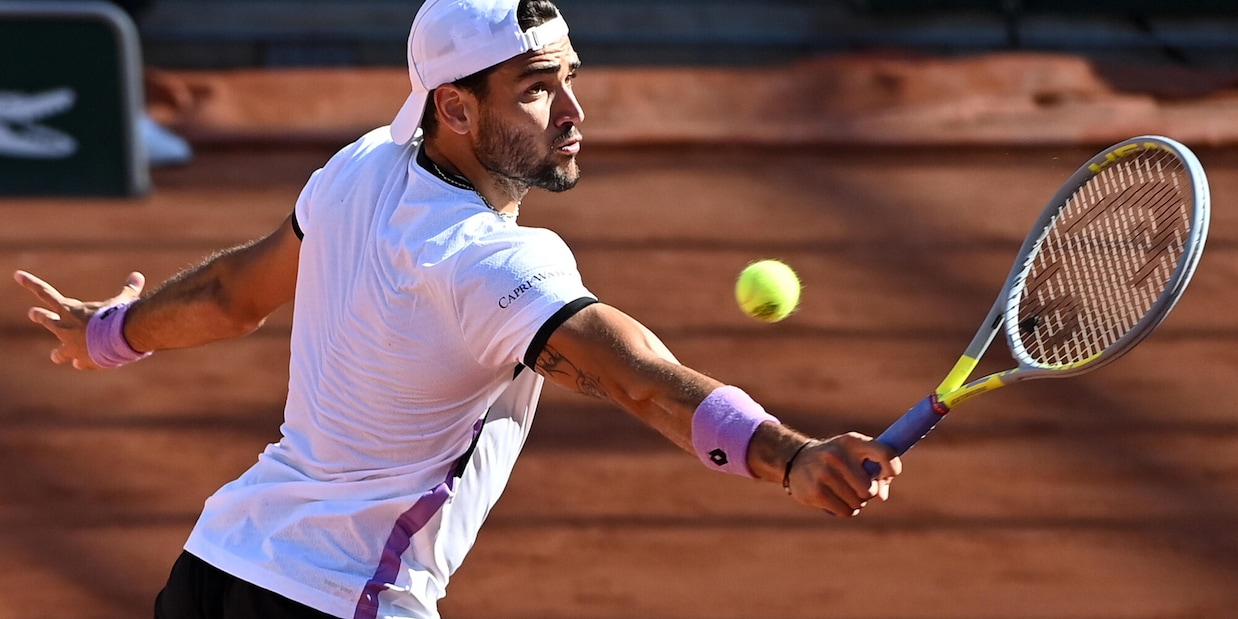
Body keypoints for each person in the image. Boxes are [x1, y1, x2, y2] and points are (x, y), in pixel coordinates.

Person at [13, 1, 902, 618]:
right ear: (454, 107)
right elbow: (637, 380)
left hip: (218, 567)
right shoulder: (489, 258)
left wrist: (107, 334)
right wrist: (790, 456)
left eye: (570, 78)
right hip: (340, 595)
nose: (575, 112)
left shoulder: (363, 165)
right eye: (539, 88)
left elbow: (234, 292)